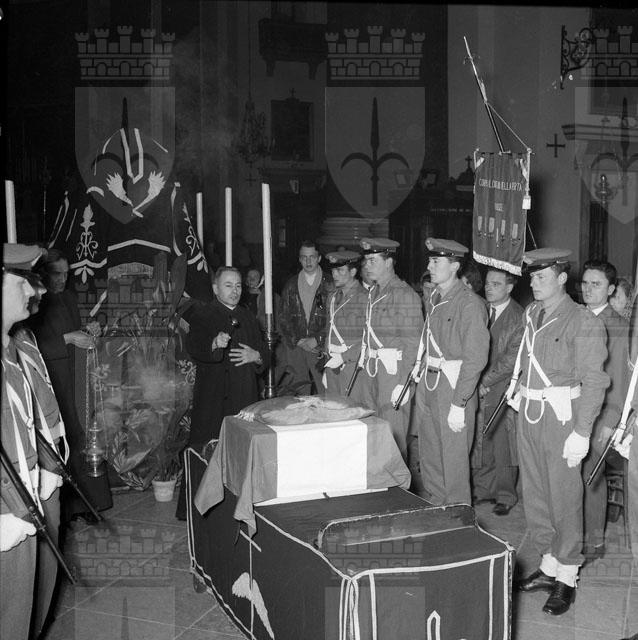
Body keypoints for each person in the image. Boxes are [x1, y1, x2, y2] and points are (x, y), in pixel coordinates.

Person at [513, 248, 609, 616]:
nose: (534, 283)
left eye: (542, 276)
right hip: (529, 414)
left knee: (565, 499)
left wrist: (581, 432)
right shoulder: (532, 313)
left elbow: (595, 381)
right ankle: (549, 564)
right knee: (535, 493)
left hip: (561, 418)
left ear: (562, 278)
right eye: (532, 276)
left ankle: (567, 575)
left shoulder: (582, 321)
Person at [1, 243, 64, 640]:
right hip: (9, 508)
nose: (34, 289)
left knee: (27, 608)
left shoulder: (16, 343)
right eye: (21, 281)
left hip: (31, 486)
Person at [176, 266, 268, 519]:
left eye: (238, 285)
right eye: (228, 285)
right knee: (204, 449)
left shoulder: (247, 316)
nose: (235, 291)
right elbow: (194, 346)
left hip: (243, 396)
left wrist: (257, 356)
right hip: (212, 396)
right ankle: (195, 511)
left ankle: (237, 507)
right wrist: (214, 344)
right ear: (216, 288)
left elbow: (264, 352)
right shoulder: (203, 314)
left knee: (241, 452)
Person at [29, 248, 112, 523]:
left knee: (82, 435)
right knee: (63, 439)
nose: (63, 279)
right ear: (43, 274)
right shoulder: (34, 301)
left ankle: (90, 504)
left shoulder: (68, 297)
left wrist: (89, 330)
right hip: (51, 379)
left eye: (67, 273)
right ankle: (67, 508)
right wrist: (68, 338)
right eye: (57, 274)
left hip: (74, 376)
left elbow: (75, 332)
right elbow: (32, 346)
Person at [413, 238, 489, 506]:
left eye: (436, 261)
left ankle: (457, 515)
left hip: (453, 387)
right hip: (430, 382)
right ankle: (437, 507)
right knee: (430, 453)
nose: (429, 266)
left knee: (454, 460)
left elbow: (475, 359)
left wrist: (460, 402)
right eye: (429, 261)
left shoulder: (470, 304)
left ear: (455, 266)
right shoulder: (435, 298)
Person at [354, 238, 422, 459]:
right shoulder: (374, 293)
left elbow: (413, 344)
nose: (367, 265)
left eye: (373, 260)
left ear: (389, 262)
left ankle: (396, 481)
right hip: (372, 373)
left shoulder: (404, 295)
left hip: (393, 375)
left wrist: (405, 383)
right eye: (366, 260)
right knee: (373, 436)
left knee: (393, 440)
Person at [579, 260, 629, 560]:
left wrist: (610, 422)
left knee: (591, 477)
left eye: (596, 284)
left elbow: (620, 380)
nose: (588, 289)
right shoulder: (576, 317)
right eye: (585, 283)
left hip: (602, 413)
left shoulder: (619, 327)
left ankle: (594, 541)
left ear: (610, 290)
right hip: (573, 406)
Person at [471, 268, 524, 515]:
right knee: (482, 439)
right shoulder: (480, 309)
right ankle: (484, 489)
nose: (489, 288)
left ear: (509, 287)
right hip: (477, 383)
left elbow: (512, 358)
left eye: (496, 284)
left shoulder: (519, 316)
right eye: (488, 283)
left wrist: (485, 381)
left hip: (503, 387)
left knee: (503, 444)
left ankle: (506, 495)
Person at [278, 241, 332, 395]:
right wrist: (297, 339)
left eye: (312, 257)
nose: (308, 261)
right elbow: (283, 316)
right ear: (299, 259)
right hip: (297, 345)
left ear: (319, 258)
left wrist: (318, 339)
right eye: (304, 257)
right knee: (300, 388)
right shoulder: (291, 285)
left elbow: (335, 318)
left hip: (320, 346)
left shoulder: (330, 284)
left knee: (325, 388)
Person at [321, 250, 366, 397]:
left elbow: (368, 340)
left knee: (351, 408)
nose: (335, 275)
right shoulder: (333, 297)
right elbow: (329, 331)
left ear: (353, 272)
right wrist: (327, 366)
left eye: (340, 270)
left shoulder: (365, 298)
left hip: (353, 366)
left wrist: (343, 357)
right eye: (333, 270)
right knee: (332, 407)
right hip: (332, 364)